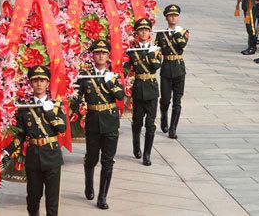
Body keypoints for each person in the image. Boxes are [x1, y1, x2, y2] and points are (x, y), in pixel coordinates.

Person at [75, 40, 125, 210]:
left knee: (108, 160)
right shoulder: (85, 76)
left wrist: (109, 82)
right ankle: (89, 184)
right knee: (92, 158)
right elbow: (76, 98)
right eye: (98, 53)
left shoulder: (114, 76)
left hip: (110, 122)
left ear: (108, 56)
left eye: (104, 53)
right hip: (93, 121)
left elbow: (120, 95)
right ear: (93, 55)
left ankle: (102, 196)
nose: (101, 55)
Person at [16, 65, 67, 216]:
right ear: (31, 83)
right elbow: (20, 134)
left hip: (51, 156)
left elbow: (62, 129)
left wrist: (49, 112)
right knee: (32, 200)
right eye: (35, 80)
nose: (39, 84)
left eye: (42, 80)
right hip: (33, 157)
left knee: (52, 202)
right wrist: (7, 151)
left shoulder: (56, 105)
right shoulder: (25, 107)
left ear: (47, 83)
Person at [125, 18, 162, 166]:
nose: (144, 32)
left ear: (150, 33)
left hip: (152, 89)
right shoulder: (132, 50)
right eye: (141, 30)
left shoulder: (156, 50)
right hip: (139, 88)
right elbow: (126, 68)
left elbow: (156, 67)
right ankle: (136, 146)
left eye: (146, 30)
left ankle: (147, 154)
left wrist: (152, 54)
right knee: (137, 121)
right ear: (137, 33)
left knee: (150, 124)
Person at [156, 4, 189, 140]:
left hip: (179, 68)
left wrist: (176, 31)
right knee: (165, 99)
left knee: (177, 100)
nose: (173, 18)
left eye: (175, 16)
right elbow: (156, 51)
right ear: (166, 18)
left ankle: (173, 128)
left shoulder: (183, 32)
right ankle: (164, 116)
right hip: (166, 68)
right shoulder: (161, 34)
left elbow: (181, 44)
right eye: (171, 16)